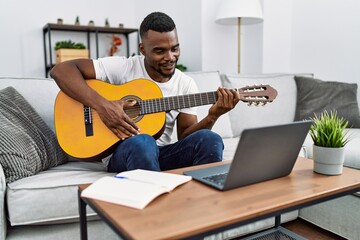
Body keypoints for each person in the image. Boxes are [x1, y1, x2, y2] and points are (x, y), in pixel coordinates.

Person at [50, 12, 240, 173]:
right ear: (142, 49)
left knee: (210, 139)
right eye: (160, 51)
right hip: (125, 153)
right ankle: (154, 209)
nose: (170, 57)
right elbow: (61, 71)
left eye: (175, 49)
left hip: (163, 155)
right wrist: (103, 106)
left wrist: (213, 116)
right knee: (144, 141)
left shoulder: (185, 84)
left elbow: (186, 138)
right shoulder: (123, 67)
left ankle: (204, 203)